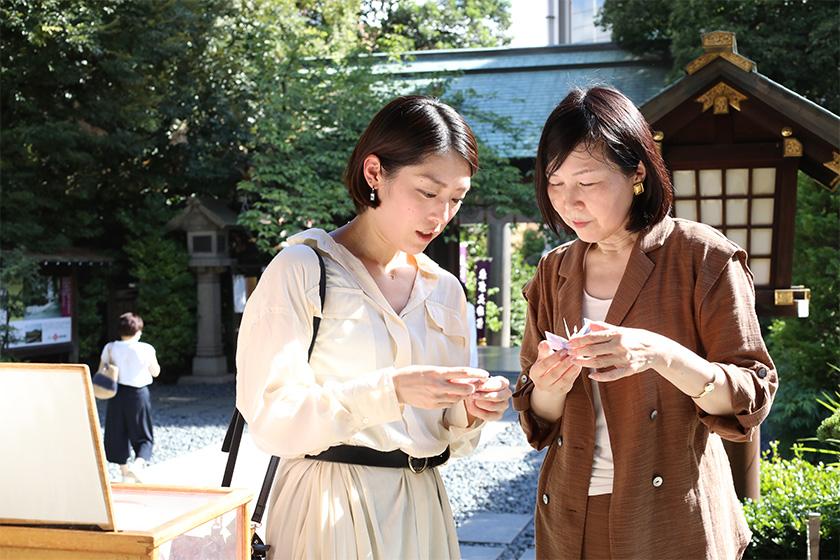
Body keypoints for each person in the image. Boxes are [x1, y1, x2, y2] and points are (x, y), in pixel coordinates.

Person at [236, 95, 512, 559]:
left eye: (455, 199)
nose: (440, 215)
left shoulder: (444, 289)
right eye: (427, 192)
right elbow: (270, 417)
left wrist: (472, 409)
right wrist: (392, 389)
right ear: (374, 174)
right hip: (327, 502)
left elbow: (450, 433)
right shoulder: (303, 269)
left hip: (424, 504)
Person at [512, 86, 777, 559]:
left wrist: (660, 354)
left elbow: (751, 394)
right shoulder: (554, 270)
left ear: (636, 172)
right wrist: (548, 383)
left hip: (673, 515)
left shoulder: (702, 256)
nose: (568, 203)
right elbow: (540, 419)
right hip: (572, 514)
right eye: (555, 184)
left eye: (587, 183)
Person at [100, 312, 160, 483]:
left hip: (116, 394)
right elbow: (155, 372)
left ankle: (125, 472)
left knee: (117, 432)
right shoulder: (145, 348)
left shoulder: (110, 348)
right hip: (138, 394)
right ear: (138, 330)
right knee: (142, 432)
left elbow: (102, 371)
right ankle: (138, 464)